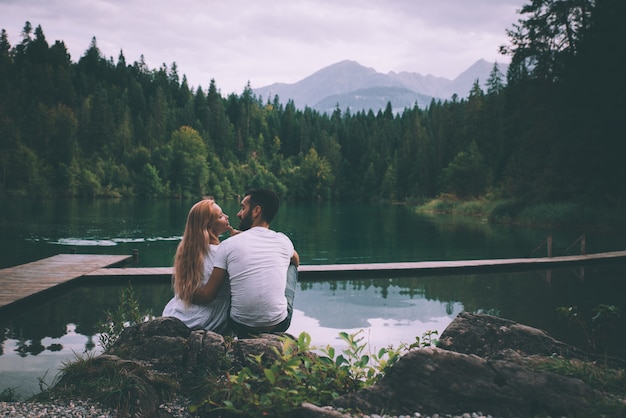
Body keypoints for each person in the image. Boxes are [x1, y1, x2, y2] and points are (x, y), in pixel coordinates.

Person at [194, 188, 300, 338]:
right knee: (291, 266)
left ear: (256, 211)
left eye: (243, 208)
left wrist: (184, 294)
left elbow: (207, 295)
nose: (238, 213)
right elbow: (296, 260)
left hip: (240, 325)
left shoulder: (228, 244)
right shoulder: (283, 240)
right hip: (279, 324)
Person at [162, 199, 234, 334]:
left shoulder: (189, 250)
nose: (227, 217)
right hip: (208, 318)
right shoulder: (220, 252)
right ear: (209, 226)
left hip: (180, 312)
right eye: (220, 216)